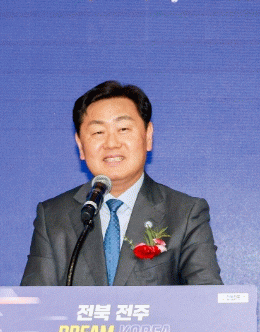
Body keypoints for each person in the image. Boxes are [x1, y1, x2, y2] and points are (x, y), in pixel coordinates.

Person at [20, 80, 222, 286]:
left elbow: (206, 298)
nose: (112, 143)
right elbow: (35, 300)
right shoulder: (53, 216)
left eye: (123, 129)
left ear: (148, 136)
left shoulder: (184, 214)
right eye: (98, 132)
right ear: (80, 145)